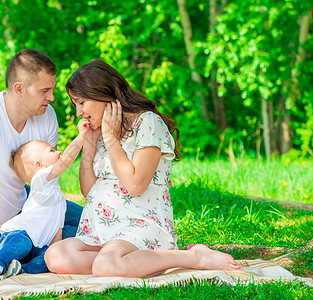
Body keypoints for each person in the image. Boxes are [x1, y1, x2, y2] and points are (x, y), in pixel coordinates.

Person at [44, 59, 242, 277]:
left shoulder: (148, 123)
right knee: (55, 256)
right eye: (76, 104)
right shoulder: (101, 131)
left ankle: (194, 257)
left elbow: (136, 185)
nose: (79, 112)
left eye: (81, 102)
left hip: (140, 225)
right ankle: (123, 262)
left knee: (106, 266)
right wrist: (89, 145)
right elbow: (88, 191)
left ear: (102, 93)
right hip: (101, 231)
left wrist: (111, 140)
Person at [0, 49, 82, 278]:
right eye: (45, 91)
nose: (52, 97)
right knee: (81, 237)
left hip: (29, 206)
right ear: (19, 89)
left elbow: (48, 178)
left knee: (95, 218)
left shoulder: (46, 116)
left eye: (52, 89)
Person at [0, 120, 89, 281]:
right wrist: (82, 136)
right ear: (39, 165)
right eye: (52, 151)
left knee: (49, 259)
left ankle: (21, 270)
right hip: (19, 233)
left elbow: (57, 229)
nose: (58, 152)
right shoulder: (42, 179)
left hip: (41, 244)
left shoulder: (57, 200)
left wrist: (54, 249)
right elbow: (67, 160)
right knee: (21, 243)